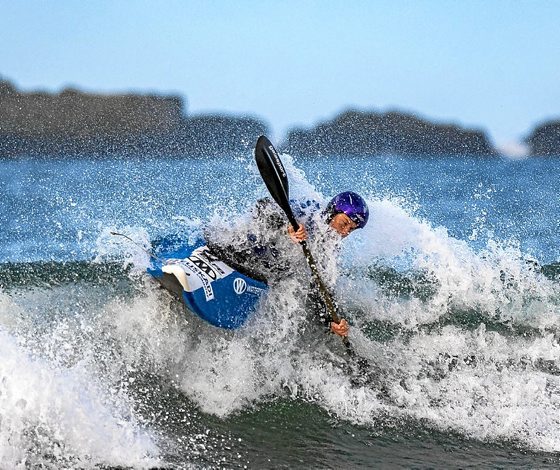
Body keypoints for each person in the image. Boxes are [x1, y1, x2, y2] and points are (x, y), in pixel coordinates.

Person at [204, 191, 369, 338]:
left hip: (264, 272)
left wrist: (330, 321)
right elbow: (263, 206)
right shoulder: (307, 211)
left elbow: (319, 287)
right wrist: (287, 228)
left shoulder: (329, 249)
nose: (345, 232)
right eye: (344, 223)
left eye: (351, 229)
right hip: (244, 250)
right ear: (333, 211)